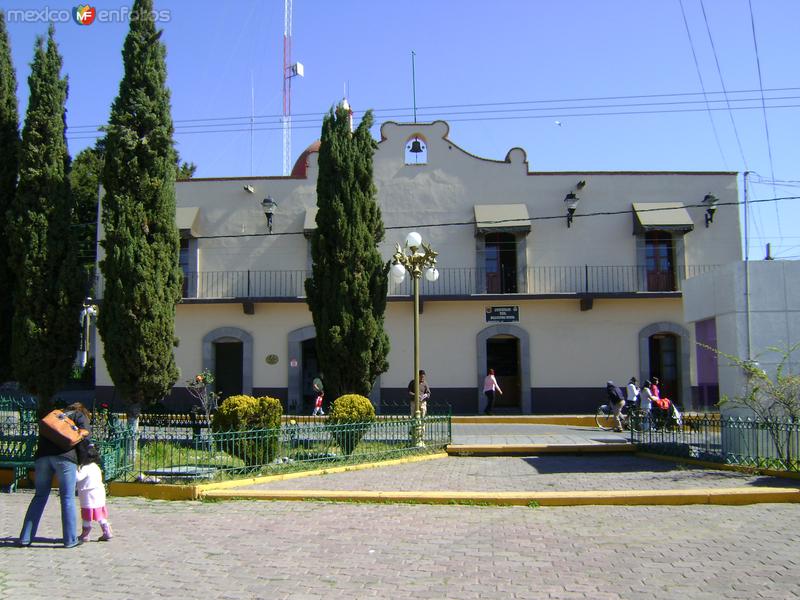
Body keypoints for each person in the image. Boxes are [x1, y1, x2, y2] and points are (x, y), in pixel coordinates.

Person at [18, 402, 91, 548]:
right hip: (65, 459)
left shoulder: (56, 415)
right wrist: (83, 460)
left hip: (43, 458)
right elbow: (85, 438)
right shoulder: (80, 416)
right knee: (67, 497)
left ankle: (25, 538)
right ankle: (70, 540)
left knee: (39, 496)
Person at [75, 443, 113, 542]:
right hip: (99, 493)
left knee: (87, 514)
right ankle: (106, 530)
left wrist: (74, 470)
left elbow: (77, 478)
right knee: (100, 513)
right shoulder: (96, 467)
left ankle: (85, 534)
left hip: (88, 494)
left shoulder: (85, 468)